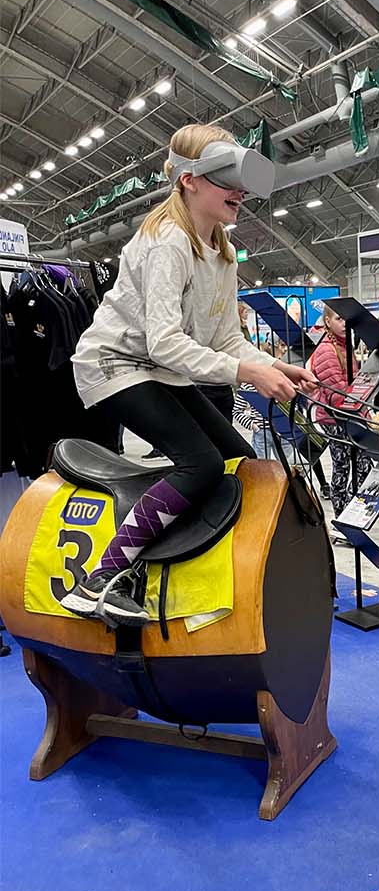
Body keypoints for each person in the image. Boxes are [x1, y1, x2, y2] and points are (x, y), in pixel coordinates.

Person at [61, 122, 315, 623]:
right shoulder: (168, 242)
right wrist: (246, 373)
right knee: (200, 464)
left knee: (240, 459)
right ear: (189, 180)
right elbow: (164, 340)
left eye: (241, 182)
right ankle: (99, 579)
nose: (239, 192)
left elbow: (225, 338)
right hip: (114, 366)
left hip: (160, 369)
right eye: (226, 179)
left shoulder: (222, 250)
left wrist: (271, 364)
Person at [308, 300, 374, 517]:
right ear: (328, 321)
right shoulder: (327, 350)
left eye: (346, 319)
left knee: (360, 466)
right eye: (339, 318)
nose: (345, 323)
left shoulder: (345, 346)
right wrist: (358, 409)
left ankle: (353, 513)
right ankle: (343, 516)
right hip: (335, 418)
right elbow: (336, 391)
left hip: (349, 414)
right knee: (343, 467)